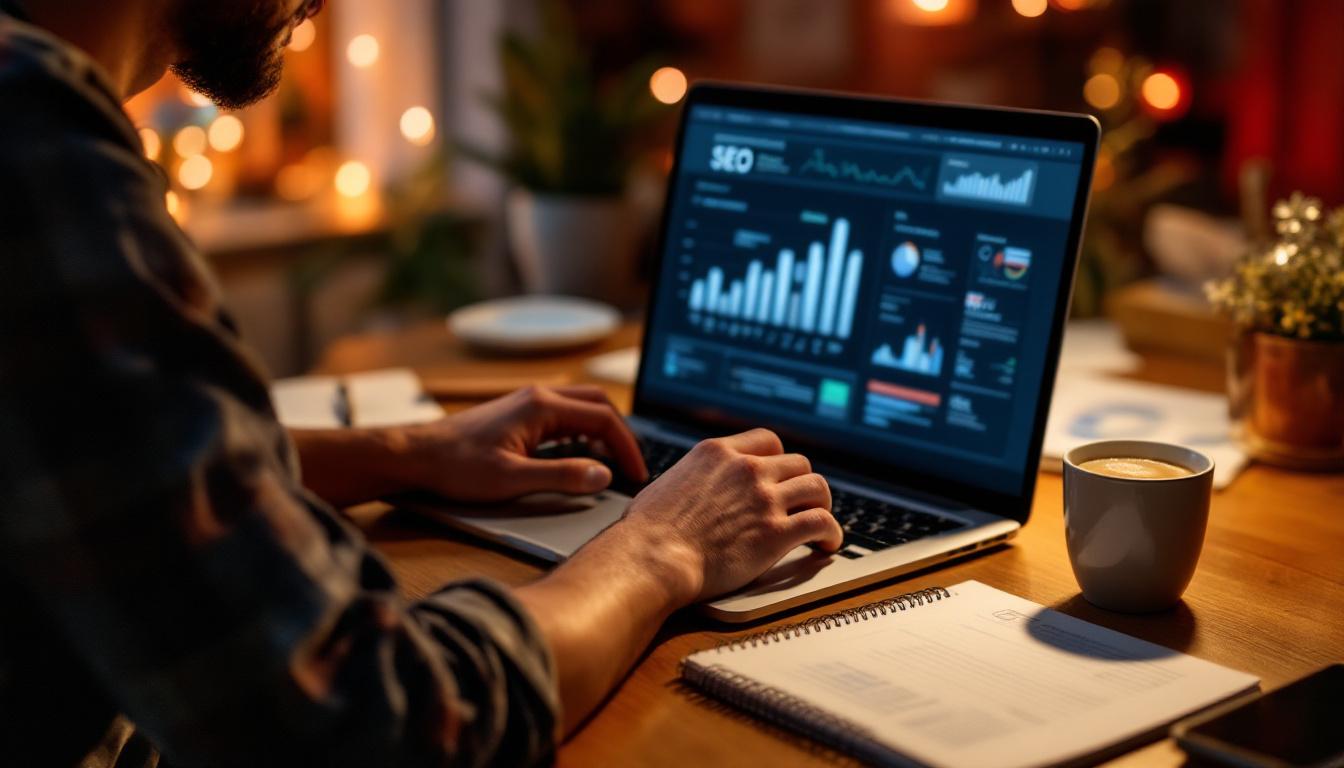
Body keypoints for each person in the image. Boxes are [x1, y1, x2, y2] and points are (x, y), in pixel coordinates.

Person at [0, 0, 844, 765]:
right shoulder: (36, 149)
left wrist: (408, 452)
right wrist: (667, 546)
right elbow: (369, 722)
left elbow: (83, 451)